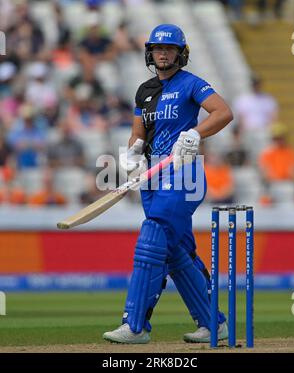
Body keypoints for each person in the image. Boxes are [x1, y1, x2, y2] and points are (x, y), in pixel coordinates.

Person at [103, 24, 233, 344]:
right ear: (150, 53)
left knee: (153, 237)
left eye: (170, 49)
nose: (163, 53)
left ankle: (135, 325)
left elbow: (223, 112)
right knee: (176, 251)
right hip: (152, 177)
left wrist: (195, 134)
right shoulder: (144, 90)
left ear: (180, 53)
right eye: (159, 49)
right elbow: (138, 132)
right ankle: (212, 323)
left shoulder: (191, 83)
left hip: (184, 173)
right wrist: (133, 150)